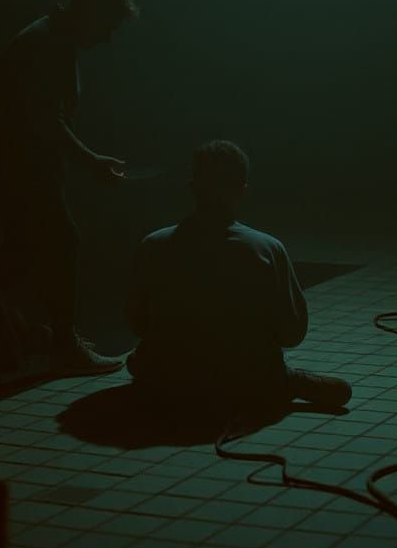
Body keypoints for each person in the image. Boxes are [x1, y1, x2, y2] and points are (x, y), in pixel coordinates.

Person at [0, 0, 139, 374]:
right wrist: (91, 161)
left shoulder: (52, 39)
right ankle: (63, 345)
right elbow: (46, 122)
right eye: (108, 27)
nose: (108, 39)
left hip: (18, 165)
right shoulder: (46, 46)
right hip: (20, 168)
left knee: (23, 251)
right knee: (62, 242)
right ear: (90, 14)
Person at [125, 140, 352, 421]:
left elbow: (138, 324)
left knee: (139, 362)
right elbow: (292, 333)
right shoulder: (266, 248)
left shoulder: (152, 245)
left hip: (170, 376)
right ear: (242, 189)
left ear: (192, 187)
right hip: (249, 379)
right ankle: (282, 382)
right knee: (340, 391)